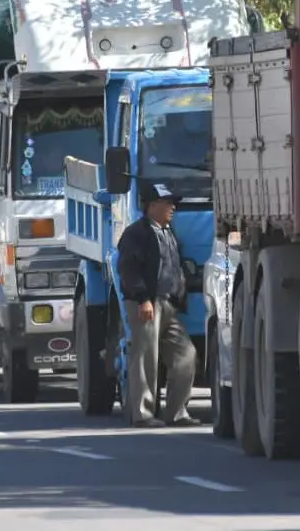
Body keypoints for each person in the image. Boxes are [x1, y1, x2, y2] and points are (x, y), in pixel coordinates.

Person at [116, 183, 200, 428]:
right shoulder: (136, 234)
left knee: (186, 355)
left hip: (169, 305)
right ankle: (143, 414)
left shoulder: (167, 231)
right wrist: (143, 299)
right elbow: (128, 269)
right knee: (145, 357)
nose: (172, 207)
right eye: (167, 203)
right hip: (146, 304)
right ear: (152, 206)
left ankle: (177, 412)